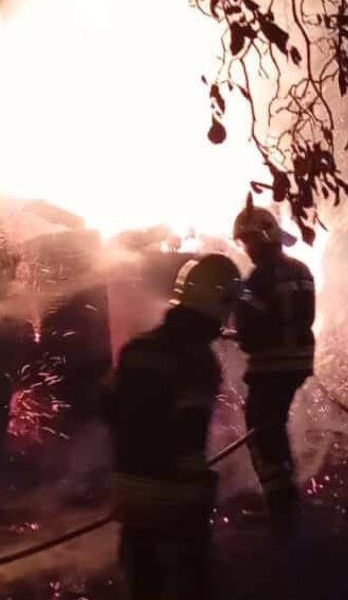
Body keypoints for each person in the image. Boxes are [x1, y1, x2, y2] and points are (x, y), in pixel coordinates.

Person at [102, 253, 241, 600]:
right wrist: (200, 486)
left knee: (143, 585)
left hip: (129, 491)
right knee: (190, 584)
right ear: (218, 303)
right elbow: (189, 431)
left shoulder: (136, 349)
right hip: (171, 497)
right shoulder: (197, 360)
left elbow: (107, 407)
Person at [231, 201, 316, 536]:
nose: (247, 249)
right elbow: (303, 318)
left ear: (263, 238)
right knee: (274, 427)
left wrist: (239, 303)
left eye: (248, 242)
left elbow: (250, 336)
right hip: (299, 363)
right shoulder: (301, 269)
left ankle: (282, 511)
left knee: (263, 433)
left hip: (271, 366)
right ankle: (286, 500)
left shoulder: (256, 279)